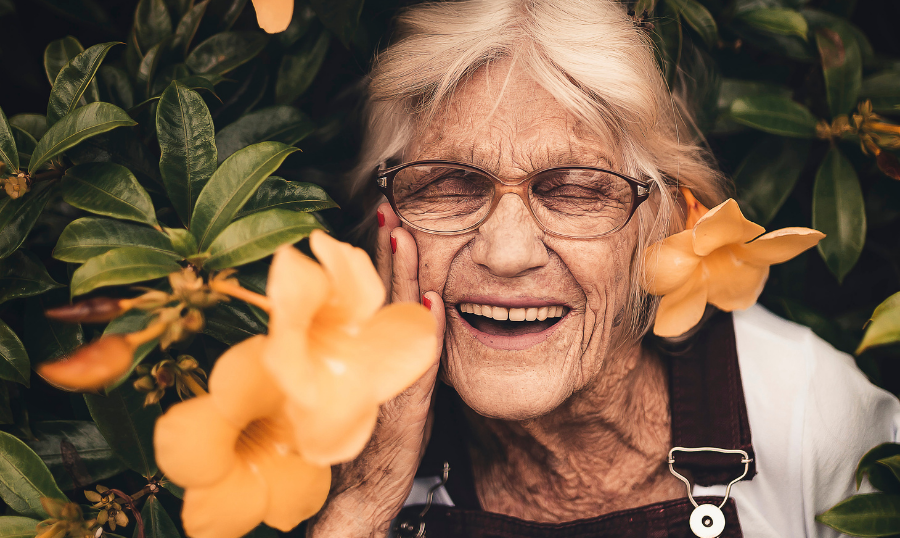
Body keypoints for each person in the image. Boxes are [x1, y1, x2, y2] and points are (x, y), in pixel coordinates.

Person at [306, 0, 900, 536]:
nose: (506, 253)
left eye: (574, 190)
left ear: (662, 219)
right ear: (387, 218)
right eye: (450, 185)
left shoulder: (807, 413)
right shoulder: (333, 436)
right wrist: (363, 502)